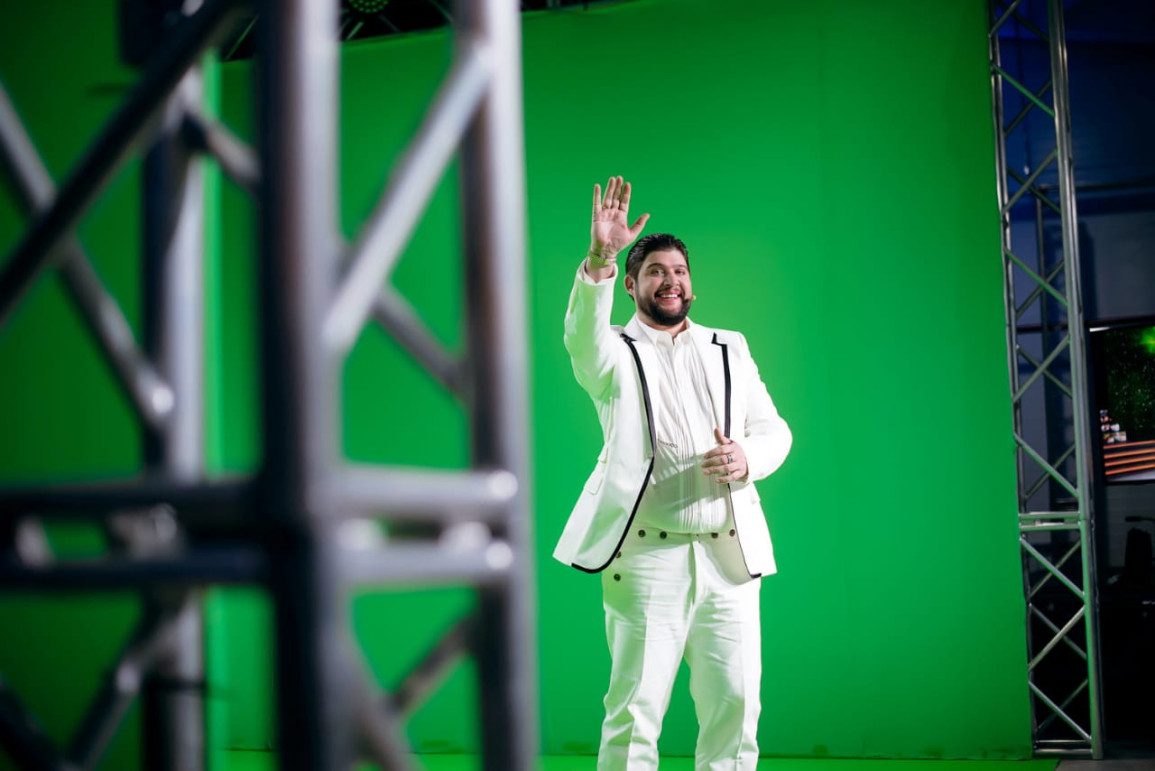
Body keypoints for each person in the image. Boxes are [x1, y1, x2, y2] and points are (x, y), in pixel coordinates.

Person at [554, 176, 793, 770]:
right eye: (656, 271)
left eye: (679, 271)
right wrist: (600, 258)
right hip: (644, 558)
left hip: (728, 558)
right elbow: (581, 336)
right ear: (631, 285)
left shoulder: (729, 346)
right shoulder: (611, 352)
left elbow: (774, 430)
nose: (671, 281)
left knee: (737, 706)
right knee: (634, 711)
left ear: (692, 283)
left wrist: (747, 458)